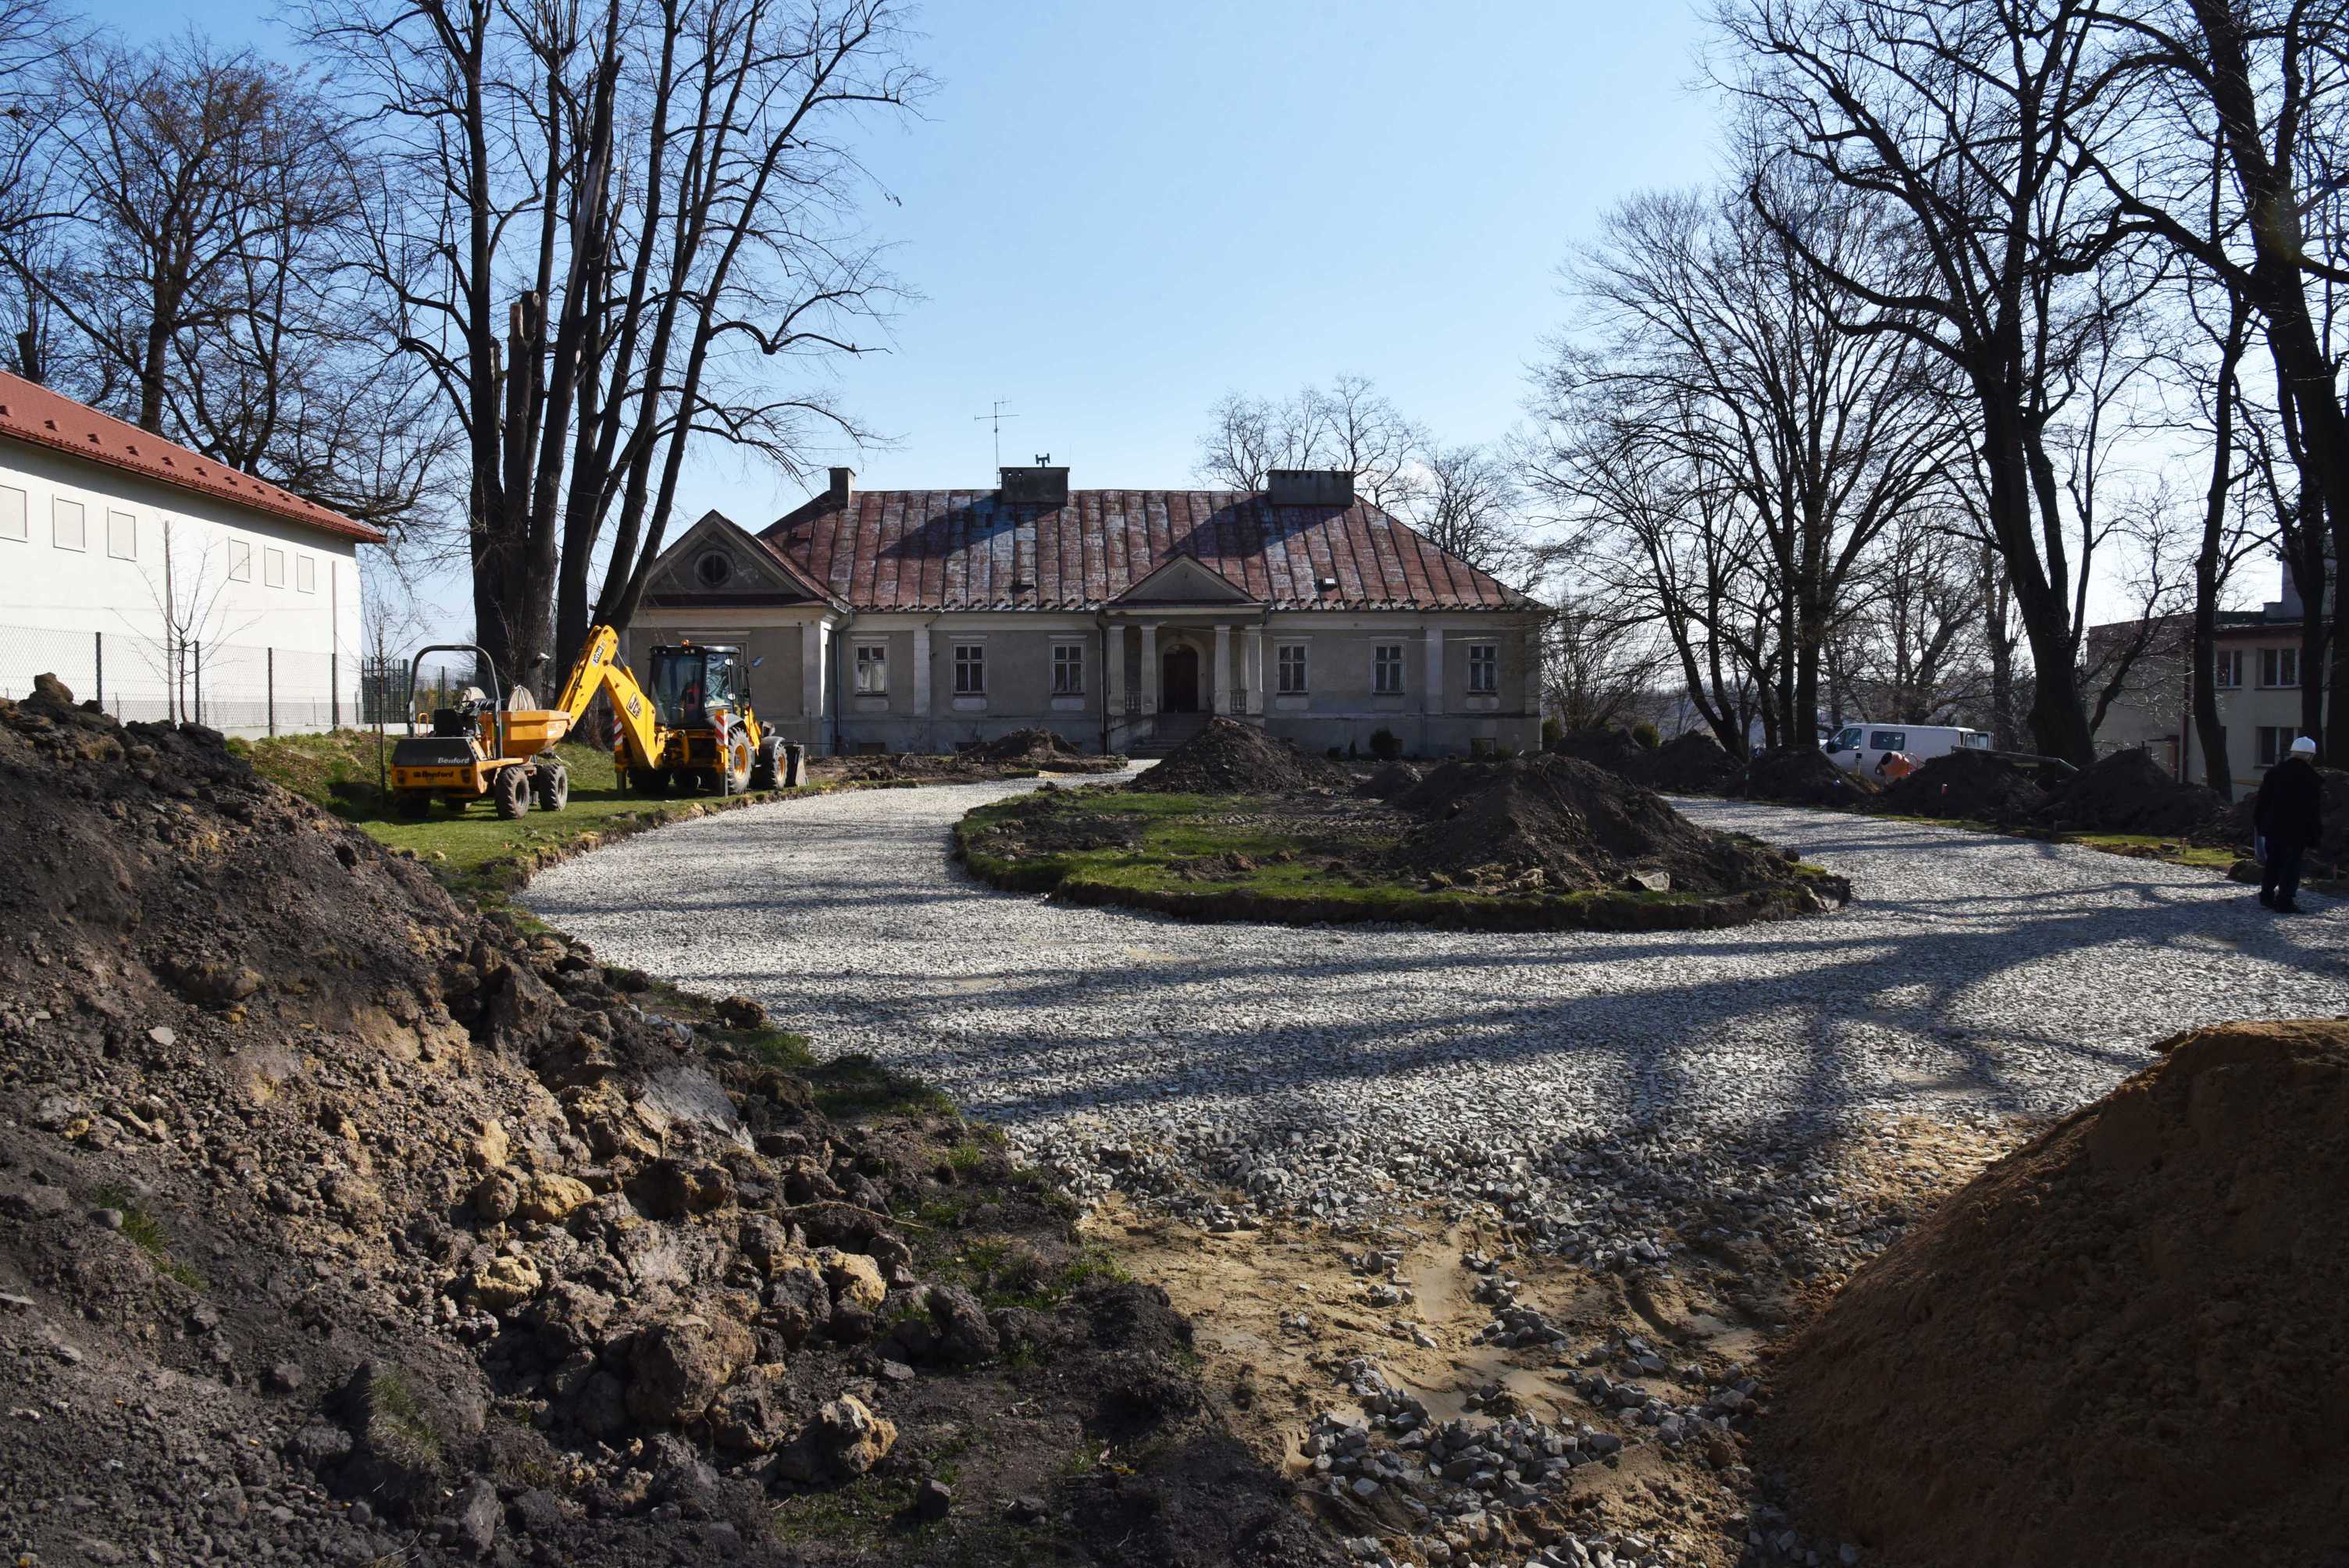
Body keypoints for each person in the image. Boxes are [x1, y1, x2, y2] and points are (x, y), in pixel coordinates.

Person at [2255, 734, 2325, 913]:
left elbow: (2262, 801)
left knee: (2273, 862)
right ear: (2310, 756)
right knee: (2291, 865)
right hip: (2296, 829)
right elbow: (2313, 810)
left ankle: (2267, 895)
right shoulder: (2311, 779)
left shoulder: (2274, 773)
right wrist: (2315, 834)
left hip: (2273, 827)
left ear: (2292, 752)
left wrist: (2259, 823)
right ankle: (2285, 900)